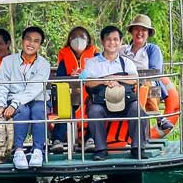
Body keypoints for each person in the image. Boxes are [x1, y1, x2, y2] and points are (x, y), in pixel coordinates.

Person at [81, 25, 148, 160]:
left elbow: (135, 79)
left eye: (116, 39)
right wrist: (104, 81)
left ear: (121, 41)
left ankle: (137, 148)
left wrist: (117, 79)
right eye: (109, 39)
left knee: (137, 109)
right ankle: (100, 149)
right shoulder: (92, 63)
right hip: (102, 102)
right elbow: (86, 81)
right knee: (94, 111)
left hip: (125, 101)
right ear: (102, 41)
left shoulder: (127, 62)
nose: (112, 43)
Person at [0, 26, 51, 170]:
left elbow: (34, 89)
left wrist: (14, 103)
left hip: (38, 98)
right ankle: (18, 151)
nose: (31, 44)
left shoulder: (44, 64)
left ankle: (38, 150)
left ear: (40, 45)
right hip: (14, 100)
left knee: (39, 110)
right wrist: (1, 105)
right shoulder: (8, 61)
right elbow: (1, 85)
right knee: (22, 111)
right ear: (22, 41)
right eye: (28, 39)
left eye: (36, 41)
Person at [121, 13, 174, 133]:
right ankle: (160, 118)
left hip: (150, 87)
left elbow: (155, 71)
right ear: (131, 32)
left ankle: (155, 121)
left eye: (143, 30)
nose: (140, 32)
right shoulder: (123, 50)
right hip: (128, 86)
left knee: (145, 86)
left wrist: (135, 77)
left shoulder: (152, 49)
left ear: (148, 33)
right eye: (137, 29)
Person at [51, 26, 98, 152]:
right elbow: (60, 77)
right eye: (74, 37)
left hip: (89, 92)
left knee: (93, 108)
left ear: (88, 40)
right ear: (69, 40)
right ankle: (58, 140)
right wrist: (71, 78)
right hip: (69, 93)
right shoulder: (65, 57)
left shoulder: (95, 55)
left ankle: (90, 138)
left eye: (82, 37)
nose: (78, 40)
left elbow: (99, 72)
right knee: (64, 109)